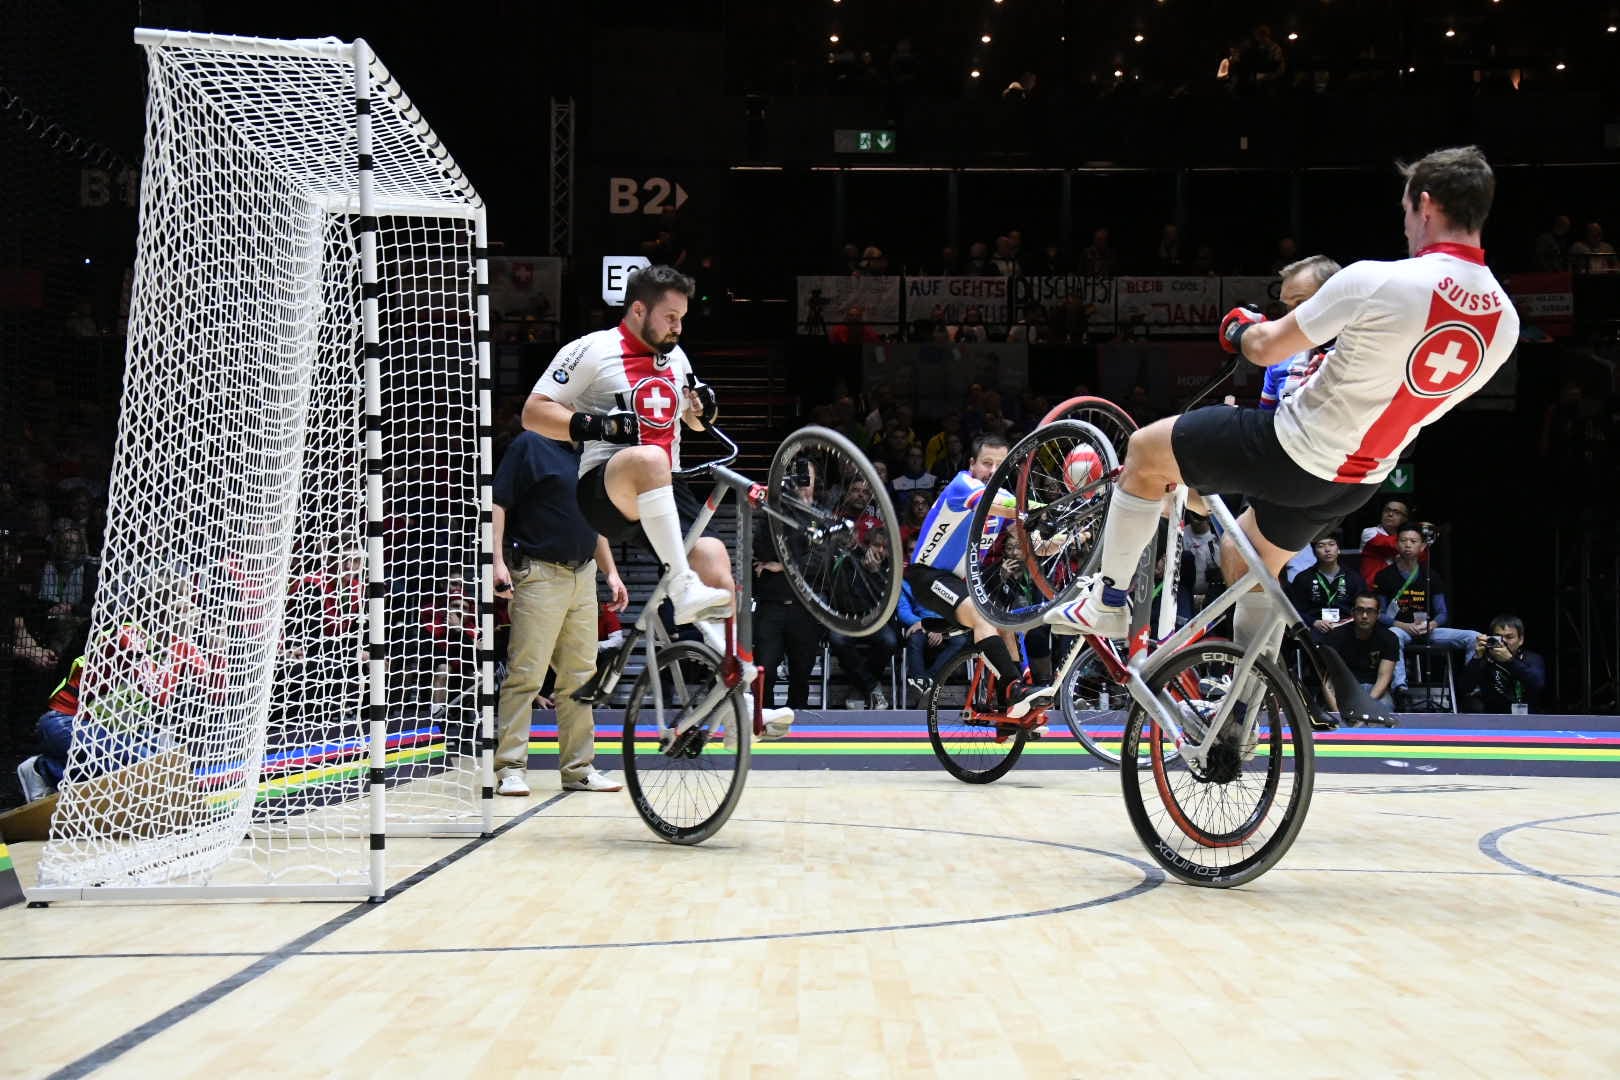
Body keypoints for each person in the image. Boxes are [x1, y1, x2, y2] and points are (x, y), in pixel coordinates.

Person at [1047, 146, 1520, 674]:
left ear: (1426, 206)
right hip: (1359, 481)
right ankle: (1248, 702)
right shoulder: (1505, 321)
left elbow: (1267, 347)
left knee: (1143, 450)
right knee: (1243, 557)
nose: (1406, 225)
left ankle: (1106, 602)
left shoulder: (1381, 280)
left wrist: (1240, 328)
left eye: (1407, 211)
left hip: (1292, 447)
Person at [523, 265, 733, 627]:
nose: (678, 327)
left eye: (682, 318)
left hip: (667, 486)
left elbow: (694, 423)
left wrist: (706, 411)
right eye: (670, 317)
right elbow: (533, 412)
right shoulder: (592, 348)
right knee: (651, 458)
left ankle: (729, 673)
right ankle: (681, 585)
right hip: (606, 492)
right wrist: (596, 426)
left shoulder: (677, 357)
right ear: (638, 310)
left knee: (719, 574)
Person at [491, 430, 628, 796]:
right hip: (538, 572)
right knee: (526, 675)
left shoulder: (591, 453)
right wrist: (496, 562)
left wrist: (611, 572)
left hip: (583, 575)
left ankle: (579, 769)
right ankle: (510, 768)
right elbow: (498, 503)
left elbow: (596, 521)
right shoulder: (529, 445)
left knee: (582, 677)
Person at [905, 434, 1053, 718]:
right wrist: (1037, 512)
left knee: (1004, 623)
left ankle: (1008, 711)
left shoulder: (1008, 502)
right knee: (983, 617)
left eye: (1001, 464)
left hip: (963, 583)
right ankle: (1014, 689)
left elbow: (1036, 545)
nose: (993, 471)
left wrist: (1067, 534)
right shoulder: (963, 486)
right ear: (972, 464)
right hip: (928, 577)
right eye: (987, 463)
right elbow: (1001, 507)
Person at [1373, 524, 1477, 695]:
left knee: (1473, 637)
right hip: (1400, 631)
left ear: (1422, 547)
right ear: (1397, 544)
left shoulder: (1431, 575)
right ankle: (1400, 688)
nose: (1408, 545)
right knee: (1392, 635)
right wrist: (1403, 626)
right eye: (1403, 541)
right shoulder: (1384, 576)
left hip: (1427, 631)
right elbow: (1379, 614)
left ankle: (1470, 688)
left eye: (1413, 541)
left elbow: (1442, 613)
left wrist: (1432, 625)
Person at [1257, 255, 1341, 411]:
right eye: (1288, 306)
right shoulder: (1279, 357)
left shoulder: (1361, 350)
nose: (1291, 316)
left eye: (1300, 302)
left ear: (1334, 297)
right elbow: (1265, 421)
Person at [1321, 592, 1399, 710]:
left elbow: (1384, 677)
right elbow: (1328, 681)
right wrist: (1337, 713)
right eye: (1360, 610)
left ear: (1378, 614)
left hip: (1374, 689)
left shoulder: (1389, 638)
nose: (1364, 615)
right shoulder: (1335, 637)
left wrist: (1366, 705)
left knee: (1385, 706)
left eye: (1370, 611)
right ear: (1352, 612)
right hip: (1344, 688)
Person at [1287, 533, 1366, 642]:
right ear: (1315, 552)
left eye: (1331, 544)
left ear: (1338, 550)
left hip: (1346, 626)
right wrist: (1314, 622)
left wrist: (1344, 623)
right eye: (1321, 546)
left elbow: (1362, 606)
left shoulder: (1353, 577)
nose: (1327, 549)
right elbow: (1294, 609)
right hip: (1315, 627)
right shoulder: (1303, 578)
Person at [1460, 614, 1545, 714]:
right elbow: (1464, 688)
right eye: (1498, 637)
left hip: (1527, 717)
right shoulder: (1485, 659)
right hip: (1493, 718)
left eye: (1509, 637)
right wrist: (1476, 658)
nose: (1504, 641)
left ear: (1520, 640)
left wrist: (1510, 660)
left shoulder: (1532, 658)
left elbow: (1537, 683)